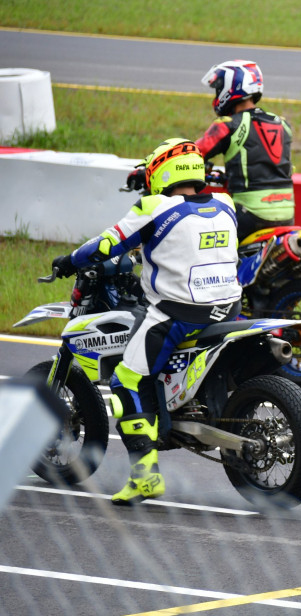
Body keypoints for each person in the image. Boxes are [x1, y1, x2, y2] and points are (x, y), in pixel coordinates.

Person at [52, 139, 242, 504]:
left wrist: (71, 260)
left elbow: (106, 245)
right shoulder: (225, 203)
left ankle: (144, 476)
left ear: (162, 171)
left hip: (179, 314)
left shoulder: (153, 207)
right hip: (228, 308)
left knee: (127, 378)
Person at [197, 60, 294, 241]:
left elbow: (192, 153)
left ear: (230, 88)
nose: (217, 95)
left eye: (218, 89)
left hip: (249, 213)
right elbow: (266, 168)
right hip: (287, 214)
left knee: (199, 235)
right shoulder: (283, 124)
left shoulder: (228, 125)